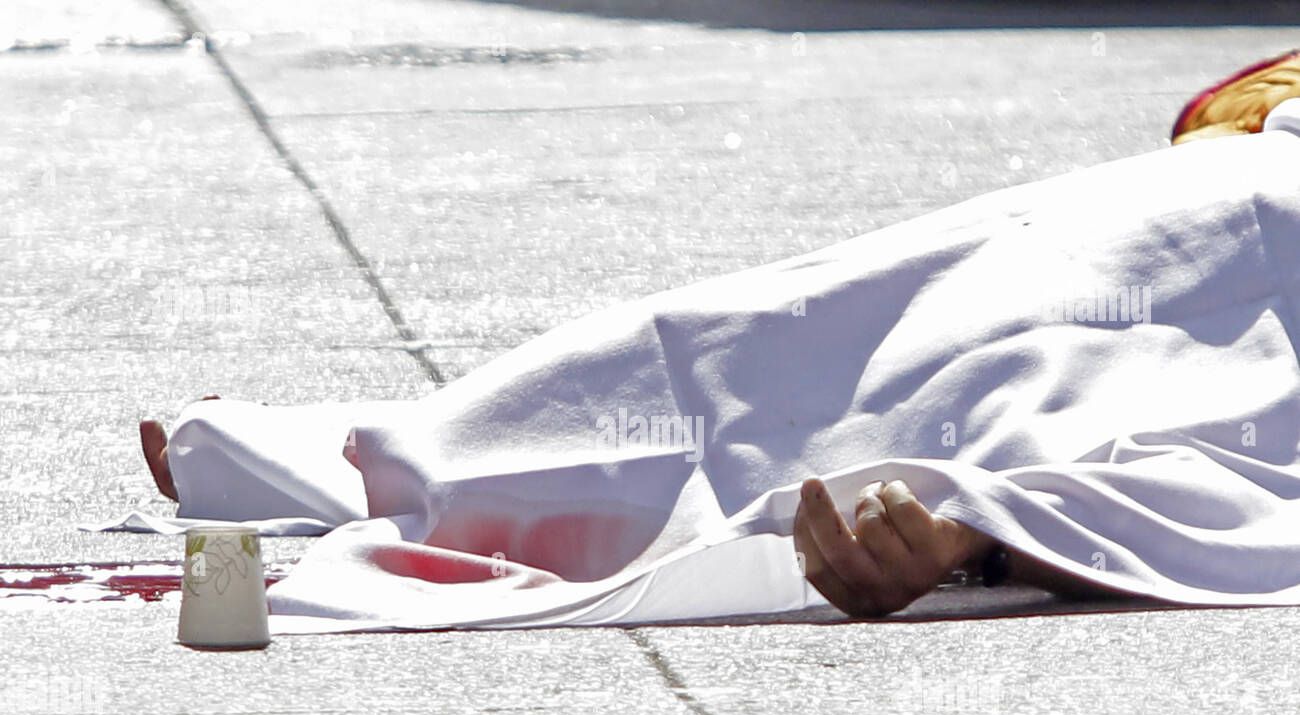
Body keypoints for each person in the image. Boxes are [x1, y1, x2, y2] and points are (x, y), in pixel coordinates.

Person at [132, 55, 1300, 627]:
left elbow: (1253, 499)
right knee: (813, 328)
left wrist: (981, 538)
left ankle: (411, 472)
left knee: (985, 396)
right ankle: (391, 455)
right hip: (1248, 198)